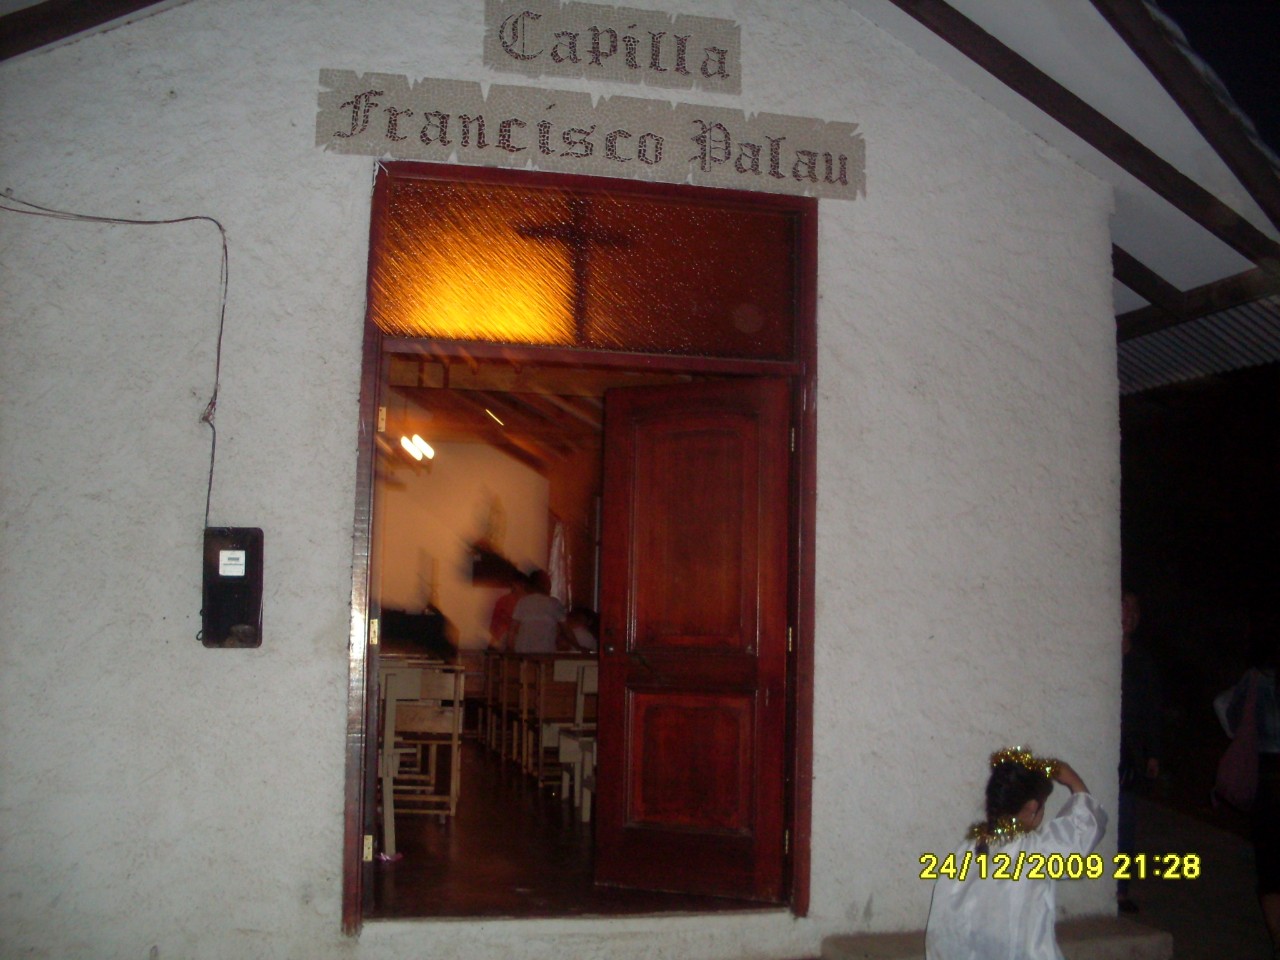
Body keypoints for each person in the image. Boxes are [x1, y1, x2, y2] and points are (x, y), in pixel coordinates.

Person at [925, 747, 1107, 960]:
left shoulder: (968, 848)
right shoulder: (1036, 852)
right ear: (1032, 808)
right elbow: (1085, 827)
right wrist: (1072, 780)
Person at [1214, 600, 1280, 959]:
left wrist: (1241, 734)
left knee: (1270, 870)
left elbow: (1224, 706)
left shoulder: (1256, 679)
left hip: (1269, 778)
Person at [1118, 589, 1161, 912]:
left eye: (1135, 610)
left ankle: (1120, 889)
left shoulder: (1143, 662)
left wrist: (1153, 753)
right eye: (1125, 607)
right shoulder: (1098, 652)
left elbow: (1151, 709)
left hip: (1129, 753)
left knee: (1126, 820)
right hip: (1100, 746)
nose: (1130, 615)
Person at [506, 569, 569, 654]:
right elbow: (566, 629)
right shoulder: (553, 603)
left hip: (526, 652)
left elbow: (512, 630)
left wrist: (511, 649)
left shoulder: (523, 602)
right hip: (544, 653)